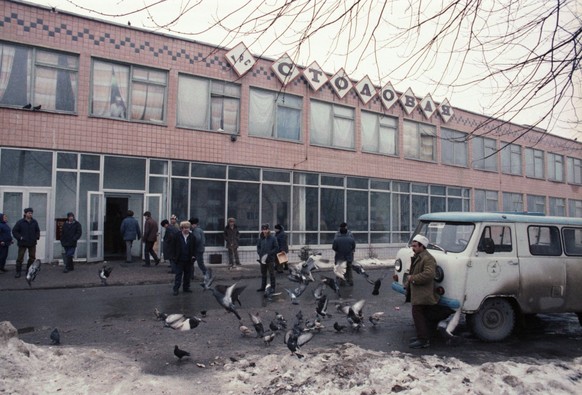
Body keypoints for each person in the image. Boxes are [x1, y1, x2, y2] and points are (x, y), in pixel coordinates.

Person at [406, 234, 440, 349]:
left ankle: (423, 340)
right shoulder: (420, 256)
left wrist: (413, 278)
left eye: (415, 246)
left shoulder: (427, 258)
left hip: (423, 294)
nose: (413, 248)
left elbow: (429, 274)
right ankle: (422, 336)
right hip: (419, 292)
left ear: (422, 246)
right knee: (422, 316)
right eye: (412, 245)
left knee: (418, 315)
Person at [12, 207, 40, 278]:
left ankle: (29, 270)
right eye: (29, 213)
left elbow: (37, 230)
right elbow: (14, 231)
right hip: (23, 243)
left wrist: (36, 237)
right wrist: (20, 237)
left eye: (31, 213)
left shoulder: (34, 222)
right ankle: (18, 272)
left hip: (32, 243)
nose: (30, 214)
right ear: (25, 213)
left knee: (32, 257)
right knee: (20, 258)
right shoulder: (20, 222)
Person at [171, 221, 197, 295]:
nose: (186, 229)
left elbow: (195, 247)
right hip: (179, 259)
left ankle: (186, 288)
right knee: (178, 275)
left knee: (187, 275)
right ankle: (176, 289)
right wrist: (173, 256)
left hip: (188, 259)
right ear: (181, 228)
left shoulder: (192, 237)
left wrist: (194, 256)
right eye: (184, 228)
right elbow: (173, 247)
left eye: (187, 228)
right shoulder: (177, 236)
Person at [256, 224, 279, 292]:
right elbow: (258, 247)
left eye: (266, 229)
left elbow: (276, 248)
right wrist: (259, 252)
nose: (265, 231)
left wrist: (270, 253)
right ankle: (263, 287)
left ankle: (273, 287)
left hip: (270, 259)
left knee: (272, 274)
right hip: (262, 259)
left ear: (268, 230)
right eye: (263, 230)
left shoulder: (273, 238)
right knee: (263, 274)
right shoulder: (260, 239)